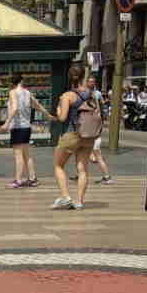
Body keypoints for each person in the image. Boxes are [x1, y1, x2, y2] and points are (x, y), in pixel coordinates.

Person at [50, 64, 97, 210]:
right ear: (83, 76)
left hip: (72, 134)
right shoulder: (91, 94)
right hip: (89, 136)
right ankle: (80, 201)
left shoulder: (67, 96)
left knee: (58, 165)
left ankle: (66, 197)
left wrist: (58, 110)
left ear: (69, 77)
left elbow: (62, 118)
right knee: (82, 169)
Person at [1, 73, 51, 188]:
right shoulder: (27, 93)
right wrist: (48, 115)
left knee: (18, 155)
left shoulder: (13, 92)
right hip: (26, 127)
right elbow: (38, 105)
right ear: (21, 81)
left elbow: (14, 108)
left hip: (17, 127)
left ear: (12, 83)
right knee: (27, 155)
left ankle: (18, 180)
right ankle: (33, 179)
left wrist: (6, 123)